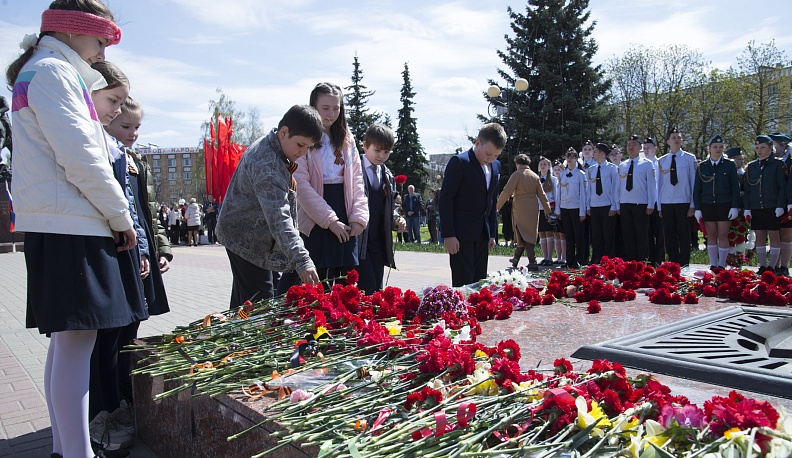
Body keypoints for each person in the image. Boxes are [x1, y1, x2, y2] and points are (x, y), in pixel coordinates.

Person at [7, 2, 135, 457]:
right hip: (72, 225)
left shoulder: (45, 71)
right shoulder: (53, 74)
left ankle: (66, 448)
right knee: (76, 348)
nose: (102, 51)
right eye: (100, 39)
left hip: (60, 222)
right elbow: (82, 156)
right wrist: (120, 215)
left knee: (66, 348)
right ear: (71, 30)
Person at [216, 105, 321, 307]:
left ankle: (234, 334)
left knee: (245, 303)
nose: (303, 153)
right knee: (259, 305)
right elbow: (279, 219)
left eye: (308, 147)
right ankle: (239, 334)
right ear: (284, 132)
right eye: (300, 145)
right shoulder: (269, 167)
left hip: (249, 236)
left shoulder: (275, 146)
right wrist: (303, 261)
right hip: (246, 240)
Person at [105, 96, 172, 407]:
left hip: (140, 248)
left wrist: (161, 249)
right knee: (116, 331)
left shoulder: (135, 160)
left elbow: (149, 212)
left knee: (134, 321)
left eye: (137, 127)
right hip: (122, 249)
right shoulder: (107, 156)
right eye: (125, 125)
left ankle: (125, 389)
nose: (132, 132)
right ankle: (114, 394)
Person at [278, 82, 368, 294]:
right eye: (325, 108)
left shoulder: (346, 138)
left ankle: (340, 324)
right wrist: (330, 221)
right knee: (313, 281)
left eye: (336, 108)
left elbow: (356, 179)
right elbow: (301, 185)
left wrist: (358, 217)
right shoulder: (304, 137)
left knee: (345, 283)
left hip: (344, 209)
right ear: (314, 106)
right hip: (315, 215)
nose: (331, 114)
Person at [439, 123, 504, 286]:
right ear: (477, 143)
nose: (491, 158)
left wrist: (492, 233)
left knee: (480, 281)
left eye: (496, 155)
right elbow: (446, 199)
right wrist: (448, 234)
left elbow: (492, 200)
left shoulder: (495, 166)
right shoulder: (460, 162)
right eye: (489, 153)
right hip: (461, 235)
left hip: (482, 234)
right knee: (464, 282)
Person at [357, 124, 397, 294]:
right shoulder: (354, 169)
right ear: (365, 145)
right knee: (366, 286)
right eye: (377, 150)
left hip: (379, 241)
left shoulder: (387, 175)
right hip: (360, 241)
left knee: (377, 290)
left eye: (386, 152)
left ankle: (373, 321)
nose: (381, 156)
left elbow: (389, 206)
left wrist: (396, 218)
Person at [496, 154, 551, 270]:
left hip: (521, 206)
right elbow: (542, 195)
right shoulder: (535, 176)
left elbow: (506, 191)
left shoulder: (517, 174)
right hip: (533, 206)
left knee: (523, 233)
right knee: (527, 232)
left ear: (517, 163)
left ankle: (532, 261)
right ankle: (516, 259)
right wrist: (548, 211)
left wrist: (497, 207)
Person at [693, 135, 740, 270]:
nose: (717, 150)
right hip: (707, 204)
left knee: (723, 235)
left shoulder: (729, 165)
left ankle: (722, 264)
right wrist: (697, 208)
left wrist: (734, 206)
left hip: (724, 204)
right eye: (715, 147)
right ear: (709, 149)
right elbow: (697, 189)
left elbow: (735, 187)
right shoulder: (702, 166)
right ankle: (714, 264)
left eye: (720, 147)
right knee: (711, 235)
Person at [744, 135, 787, 274]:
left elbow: (781, 187)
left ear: (770, 148)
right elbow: (748, 190)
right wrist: (747, 208)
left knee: (774, 236)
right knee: (760, 236)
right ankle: (763, 266)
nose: (759, 150)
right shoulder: (751, 167)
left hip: (772, 206)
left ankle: (772, 266)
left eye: (763, 147)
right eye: (757, 148)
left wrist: (780, 205)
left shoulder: (778, 165)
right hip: (756, 206)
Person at [656, 127, 697, 266]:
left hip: (683, 201)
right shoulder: (662, 161)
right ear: (668, 141)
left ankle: (684, 262)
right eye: (673, 137)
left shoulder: (689, 159)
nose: (676, 140)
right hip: (667, 201)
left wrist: (692, 204)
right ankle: (673, 262)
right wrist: (659, 205)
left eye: (679, 137)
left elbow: (693, 182)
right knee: (669, 234)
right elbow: (659, 184)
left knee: (684, 234)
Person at [619, 135, 657, 262]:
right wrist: (617, 204)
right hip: (625, 203)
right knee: (628, 235)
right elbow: (619, 186)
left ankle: (642, 261)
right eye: (629, 144)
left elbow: (652, 185)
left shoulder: (647, 164)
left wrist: (651, 204)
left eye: (634, 144)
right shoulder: (623, 165)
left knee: (641, 235)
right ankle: (630, 261)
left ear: (640, 147)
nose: (631, 147)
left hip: (640, 204)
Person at [587, 143, 619, 264]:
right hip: (595, 206)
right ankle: (597, 258)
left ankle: (609, 258)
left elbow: (615, 188)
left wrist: (614, 206)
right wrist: (588, 205)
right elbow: (589, 189)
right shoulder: (591, 169)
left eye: (595, 152)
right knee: (596, 235)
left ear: (602, 154)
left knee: (608, 234)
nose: (593, 154)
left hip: (607, 205)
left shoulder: (611, 168)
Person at [555, 148, 587, 269]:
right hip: (565, 207)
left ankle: (579, 259)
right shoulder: (562, 174)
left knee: (578, 236)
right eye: (568, 156)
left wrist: (582, 211)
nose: (570, 159)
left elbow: (583, 194)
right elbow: (558, 193)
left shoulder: (580, 174)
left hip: (576, 207)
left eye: (573, 156)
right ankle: (569, 260)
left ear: (576, 159)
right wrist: (558, 210)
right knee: (568, 235)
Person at [771, 133, 792, 275]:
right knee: (774, 236)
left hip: (787, 203)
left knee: (786, 235)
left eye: (774, 145)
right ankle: (774, 265)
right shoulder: (770, 161)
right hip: (772, 203)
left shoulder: (790, 161)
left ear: (783, 145)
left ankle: (784, 266)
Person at [642, 136, 664, 265]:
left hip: (658, 203)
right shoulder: (642, 164)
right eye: (644, 148)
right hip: (645, 203)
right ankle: (650, 259)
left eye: (648, 148)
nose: (646, 150)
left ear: (655, 148)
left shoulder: (660, 163)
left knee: (660, 234)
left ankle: (660, 259)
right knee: (647, 233)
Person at [537, 157, 558, 265]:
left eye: (545, 164)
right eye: (541, 164)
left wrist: (556, 210)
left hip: (549, 208)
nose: (543, 166)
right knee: (541, 233)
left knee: (549, 233)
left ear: (549, 166)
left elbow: (556, 195)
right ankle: (545, 257)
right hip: (538, 209)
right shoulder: (536, 179)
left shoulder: (553, 179)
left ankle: (550, 257)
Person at [551, 160, 567, 264]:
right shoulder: (552, 181)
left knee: (562, 234)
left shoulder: (563, 180)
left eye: (559, 169)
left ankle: (564, 256)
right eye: (555, 169)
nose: (557, 171)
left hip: (563, 209)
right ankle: (558, 256)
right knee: (556, 234)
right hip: (554, 210)